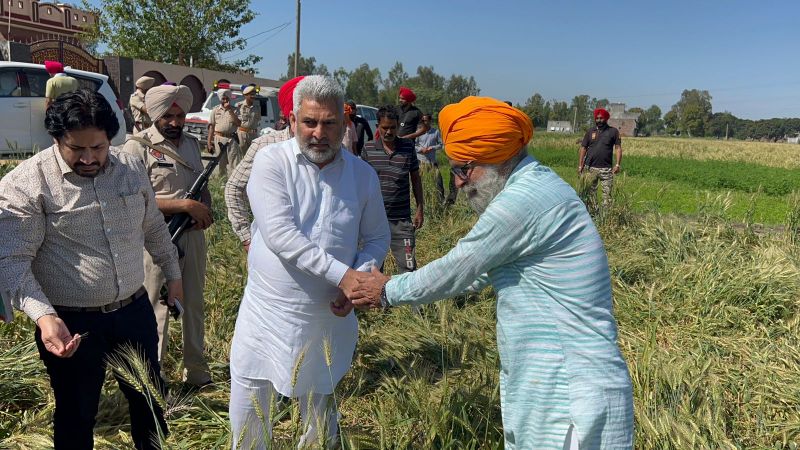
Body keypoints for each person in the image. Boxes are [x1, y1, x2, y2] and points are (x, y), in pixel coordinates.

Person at [349, 97, 634, 450]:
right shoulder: (539, 186)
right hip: (560, 383)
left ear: (496, 160)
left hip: (569, 393)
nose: (456, 183)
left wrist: (386, 290)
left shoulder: (523, 202)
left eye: (462, 170)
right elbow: (479, 273)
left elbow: (461, 265)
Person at [0, 89, 183, 450]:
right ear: (56, 139)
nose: (88, 158)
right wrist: (43, 316)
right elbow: (12, 261)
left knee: (150, 401)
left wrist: (173, 273)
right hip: (71, 324)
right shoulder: (27, 184)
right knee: (77, 413)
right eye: (76, 149)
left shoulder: (130, 168)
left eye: (98, 148)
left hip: (134, 311)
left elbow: (153, 227)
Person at [227, 75, 390, 449]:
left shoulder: (362, 176)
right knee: (251, 406)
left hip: (328, 316)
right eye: (310, 122)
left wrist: (360, 279)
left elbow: (378, 237)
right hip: (269, 315)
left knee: (321, 411)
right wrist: (346, 275)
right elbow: (281, 235)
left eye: (330, 123)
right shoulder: (271, 162)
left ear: (345, 124)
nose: (319, 133)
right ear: (292, 120)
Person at [122, 84, 213, 387]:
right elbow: (134, 197)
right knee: (157, 307)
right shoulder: (137, 146)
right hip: (156, 239)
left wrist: (203, 211)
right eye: (168, 116)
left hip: (192, 237)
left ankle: (196, 373)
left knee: (194, 306)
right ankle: (153, 378)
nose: (175, 122)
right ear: (153, 113)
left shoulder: (190, 144)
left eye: (180, 115)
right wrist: (184, 205)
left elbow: (202, 187)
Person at [224, 76, 303, 252]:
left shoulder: (330, 152)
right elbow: (234, 187)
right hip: (269, 252)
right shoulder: (266, 145)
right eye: (309, 120)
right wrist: (246, 238)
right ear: (292, 118)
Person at [362, 106, 424, 273]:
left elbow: (416, 179)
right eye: (385, 127)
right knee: (372, 269)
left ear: (398, 127)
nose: (389, 132)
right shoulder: (368, 149)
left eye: (393, 128)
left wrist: (419, 209)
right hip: (374, 222)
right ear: (378, 127)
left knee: (408, 266)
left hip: (402, 221)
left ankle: (410, 298)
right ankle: (377, 299)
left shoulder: (407, 147)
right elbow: (361, 183)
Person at [578, 108, 622, 213]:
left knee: (607, 196)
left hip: (606, 170)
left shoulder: (613, 131)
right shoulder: (590, 131)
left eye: (601, 118)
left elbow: (618, 148)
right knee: (590, 194)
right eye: (597, 118)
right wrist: (580, 166)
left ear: (606, 118)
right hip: (590, 168)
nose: (599, 120)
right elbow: (583, 148)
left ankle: (605, 218)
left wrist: (617, 164)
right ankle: (593, 215)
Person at [415, 113, 456, 206]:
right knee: (422, 184)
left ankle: (441, 202)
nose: (423, 122)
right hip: (421, 162)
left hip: (432, 162)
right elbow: (413, 145)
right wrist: (421, 149)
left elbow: (441, 145)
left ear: (430, 121)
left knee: (438, 182)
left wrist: (432, 147)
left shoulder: (436, 132)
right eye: (422, 121)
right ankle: (422, 203)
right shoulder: (417, 132)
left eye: (425, 120)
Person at [207, 88, 241, 177]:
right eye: (223, 99)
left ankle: (233, 180)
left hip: (231, 139)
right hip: (219, 138)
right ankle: (222, 182)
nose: (225, 100)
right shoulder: (215, 110)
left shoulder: (235, 110)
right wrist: (209, 143)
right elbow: (211, 127)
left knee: (234, 161)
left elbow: (238, 123)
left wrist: (230, 110)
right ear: (220, 99)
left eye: (227, 98)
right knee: (221, 161)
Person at [236, 85, 262, 156]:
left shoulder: (257, 107)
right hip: (242, 134)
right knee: (242, 156)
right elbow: (235, 121)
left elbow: (258, 121)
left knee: (253, 156)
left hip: (253, 135)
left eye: (254, 94)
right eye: (251, 95)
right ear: (246, 95)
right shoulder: (239, 106)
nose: (253, 96)